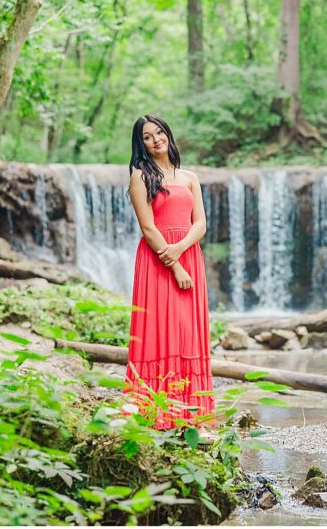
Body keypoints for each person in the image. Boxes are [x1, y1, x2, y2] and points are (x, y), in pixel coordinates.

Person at [124, 114, 216, 436]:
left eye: (159, 132)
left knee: (189, 332)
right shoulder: (140, 176)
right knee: (158, 331)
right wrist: (173, 262)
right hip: (158, 260)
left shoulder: (190, 177)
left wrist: (181, 250)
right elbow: (148, 227)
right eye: (147, 137)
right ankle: (156, 413)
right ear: (141, 144)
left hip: (188, 255)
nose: (155, 140)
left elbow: (201, 223)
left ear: (168, 134)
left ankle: (194, 417)